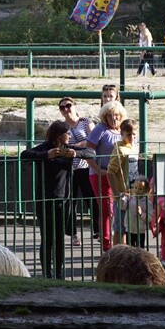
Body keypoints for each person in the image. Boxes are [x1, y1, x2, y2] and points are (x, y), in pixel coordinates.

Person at [22, 120, 92, 279]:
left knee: (60, 237)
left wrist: (76, 154)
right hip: (45, 199)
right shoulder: (45, 147)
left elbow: (91, 152)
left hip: (64, 199)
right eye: (67, 134)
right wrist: (45, 156)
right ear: (59, 135)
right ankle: (46, 272)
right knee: (47, 238)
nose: (69, 136)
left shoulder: (68, 149)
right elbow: (24, 155)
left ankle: (59, 273)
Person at [86, 100, 128, 251]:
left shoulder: (122, 130)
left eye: (117, 115)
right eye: (111, 116)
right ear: (105, 117)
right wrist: (96, 168)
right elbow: (87, 150)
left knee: (121, 207)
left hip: (118, 175)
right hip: (101, 174)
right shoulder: (100, 129)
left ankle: (121, 244)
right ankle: (107, 245)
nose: (114, 119)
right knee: (106, 208)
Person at [59, 96, 99, 243]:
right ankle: (73, 234)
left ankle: (98, 230)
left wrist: (76, 146)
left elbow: (93, 140)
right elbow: (60, 144)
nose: (66, 109)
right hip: (70, 167)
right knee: (70, 201)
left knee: (93, 199)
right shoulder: (62, 127)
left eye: (68, 105)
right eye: (62, 107)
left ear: (74, 106)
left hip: (86, 166)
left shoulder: (86, 122)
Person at [107, 118, 139, 247]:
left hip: (133, 193)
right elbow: (110, 172)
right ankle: (116, 253)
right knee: (119, 227)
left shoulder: (134, 148)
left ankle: (125, 253)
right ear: (122, 134)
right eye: (128, 134)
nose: (132, 137)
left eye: (134, 134)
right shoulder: (119, 150)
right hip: (122, 194)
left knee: (129, 227)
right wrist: (116, 193)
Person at [122, 177, 155, 249]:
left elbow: (149, 218)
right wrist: (123, 197)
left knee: (140, 250)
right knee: (130, 250)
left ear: (146, 190)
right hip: (129, 229)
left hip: (140, 231)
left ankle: (139, 260)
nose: (137, 190)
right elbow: (122, 207)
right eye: (136, 188)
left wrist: (141, 214)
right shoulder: (130, 198)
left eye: (140, 189)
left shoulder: (147, 202)